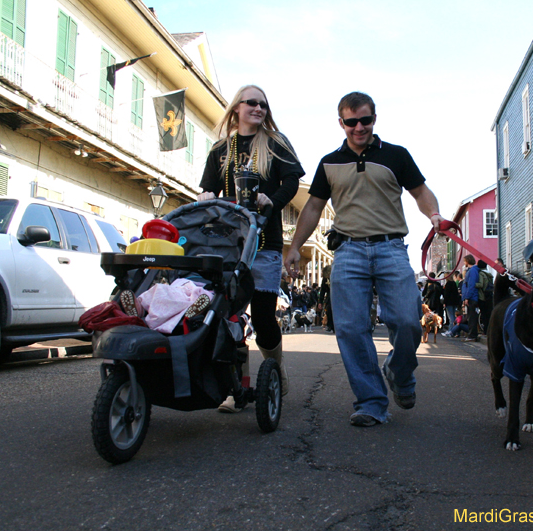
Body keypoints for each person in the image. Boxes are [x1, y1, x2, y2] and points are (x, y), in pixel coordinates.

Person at [284, 91, 445, 427]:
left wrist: (434, 215)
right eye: (351, 121)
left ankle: (400, 373)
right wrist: (295, 246)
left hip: (391, 248)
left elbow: (420, 192)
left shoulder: (396, 155)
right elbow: (313, 206)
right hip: (348, 250)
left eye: (365, 120)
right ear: (341, 122)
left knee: (407, 320)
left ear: (374, 119)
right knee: (351, 328)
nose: (359, 127)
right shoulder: (329, 162)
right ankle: (371, 401)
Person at [197, 84, 305, 410]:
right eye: (252, 103)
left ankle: (276, 370)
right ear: (237, 108)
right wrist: (205, 199)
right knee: (229, 315)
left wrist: (271, 200)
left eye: (263, 105)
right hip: (228, 241)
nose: (258, 109)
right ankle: (236, 387)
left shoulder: (275, 144)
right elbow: (208, 189)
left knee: (261, 316)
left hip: (264, 240)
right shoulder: (220, 149)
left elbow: (292, 181)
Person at [460, 255, 481, 342]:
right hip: (471, 297)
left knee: (472, 317)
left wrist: (467, 297)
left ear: (467, 261)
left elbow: (471, 285)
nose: (464, 263)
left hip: (472, 298)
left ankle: (472, 335)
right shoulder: (472, 270)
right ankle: (471, 334)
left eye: (465, 261)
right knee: (470, 317)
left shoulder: (472, 271)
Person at [475, 259, 494, 335]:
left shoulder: (481, 274)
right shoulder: (489, 274)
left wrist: (473, 284)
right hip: (489, 295)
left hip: (482, 296)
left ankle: (485, 331)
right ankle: (489, 330)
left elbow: (481, 284)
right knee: (489, 313)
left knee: (483, 314)